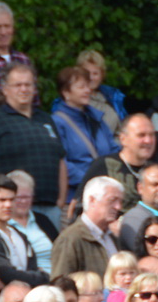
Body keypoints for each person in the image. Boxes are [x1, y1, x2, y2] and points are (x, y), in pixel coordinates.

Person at [0, 64, 66, 224]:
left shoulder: (46, 119)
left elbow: (60, 161)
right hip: (11, 208)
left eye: (28, 84)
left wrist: (61, 201)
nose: (24, 89)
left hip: (50, 208)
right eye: (18, 85)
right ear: (5, 89)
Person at [50, 67, 117, 206]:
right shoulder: (57, 122)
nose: (87, 90)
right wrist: (92, 181)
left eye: (87, 86)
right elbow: (61, 162)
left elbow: (113, 149)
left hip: (105, 194)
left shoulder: (97, 118)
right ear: (66, 93)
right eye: (81, 87)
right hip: (77, 198)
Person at [51, 176, 123, 279]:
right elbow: (61, 283)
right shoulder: (71, 238)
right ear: (92, 200)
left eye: (120, 201)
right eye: (112, 200)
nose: (118, 207)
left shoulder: (113, 237)